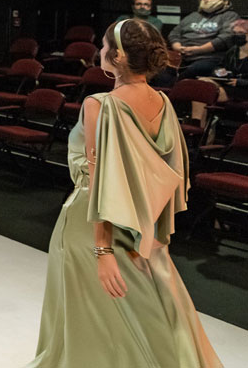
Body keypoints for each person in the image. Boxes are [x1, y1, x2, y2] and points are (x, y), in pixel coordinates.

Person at [24, 18, 222, 367]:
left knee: (90, 321)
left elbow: (102, 184)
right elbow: (169, 177)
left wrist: (102, 251)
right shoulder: (163, 104)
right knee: (152, 318)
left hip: (93, 227)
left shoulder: (99, 105)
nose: (99, 52)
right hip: (142, 228)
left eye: (103, 47)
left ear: (116, 56)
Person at [168, 0, 238, 80]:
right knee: (161, 69)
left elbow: (226, 37)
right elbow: (174, 34)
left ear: (223, 0)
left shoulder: (230, 16)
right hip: (182, 56)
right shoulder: (192, 16)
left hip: (210, 58)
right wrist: (178, 47)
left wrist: (199, 49)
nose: (209, 1)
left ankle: (175, 86)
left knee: (195, 69)